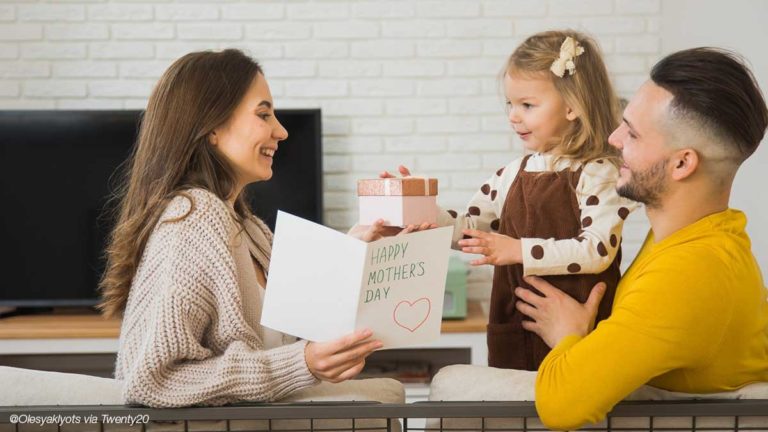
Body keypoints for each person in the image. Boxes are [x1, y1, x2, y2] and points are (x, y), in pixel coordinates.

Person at [99, 49, 410, 408]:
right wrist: (303, 364)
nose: (281, 130)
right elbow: (153, 380)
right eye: (263, 114)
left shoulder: (247, 228)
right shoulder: (193, 218)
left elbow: (293, 314)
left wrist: (354, 247)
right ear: (211, 127)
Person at [518, 47, 768, 430]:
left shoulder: (687, 274)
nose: (614, 138)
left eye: (632, 132)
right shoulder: (701, 235)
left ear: (682, 163)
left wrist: (569, 335)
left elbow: (560, 407)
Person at [384, 30, 637, 370]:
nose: (513, 116)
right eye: (510, 104)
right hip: (514, 331)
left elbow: (596, 250)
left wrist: (517, 250)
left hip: (577, 334)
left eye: (527, 105)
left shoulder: (599, 173)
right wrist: (421, 209)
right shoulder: (511, 174)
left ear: (572, 107)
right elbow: (473, 230)